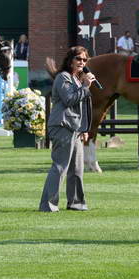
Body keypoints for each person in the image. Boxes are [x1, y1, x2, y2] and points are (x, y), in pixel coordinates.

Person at [39, 46, 94, 212]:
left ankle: (76, 202)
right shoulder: (63, 77)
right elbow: (70, 99)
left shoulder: (77, 79)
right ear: (70, 60)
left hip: (75, 128)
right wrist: (85, 86)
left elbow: (80, 107)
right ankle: (48, 205)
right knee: (60, 166)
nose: (82, 62)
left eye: (85, 60)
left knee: (77, 168)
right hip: (62, 125)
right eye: (78, 59)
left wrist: (84, 128)